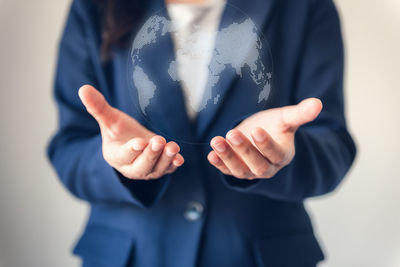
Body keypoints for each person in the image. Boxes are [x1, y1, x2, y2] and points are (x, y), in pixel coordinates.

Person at [47, 0, 356, 266]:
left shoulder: (304, 6)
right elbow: (69, 148)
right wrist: (113, 162)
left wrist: (280, 157)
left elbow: (333, 148)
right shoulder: (94, 6)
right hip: (130, 255)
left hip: (261, 255)